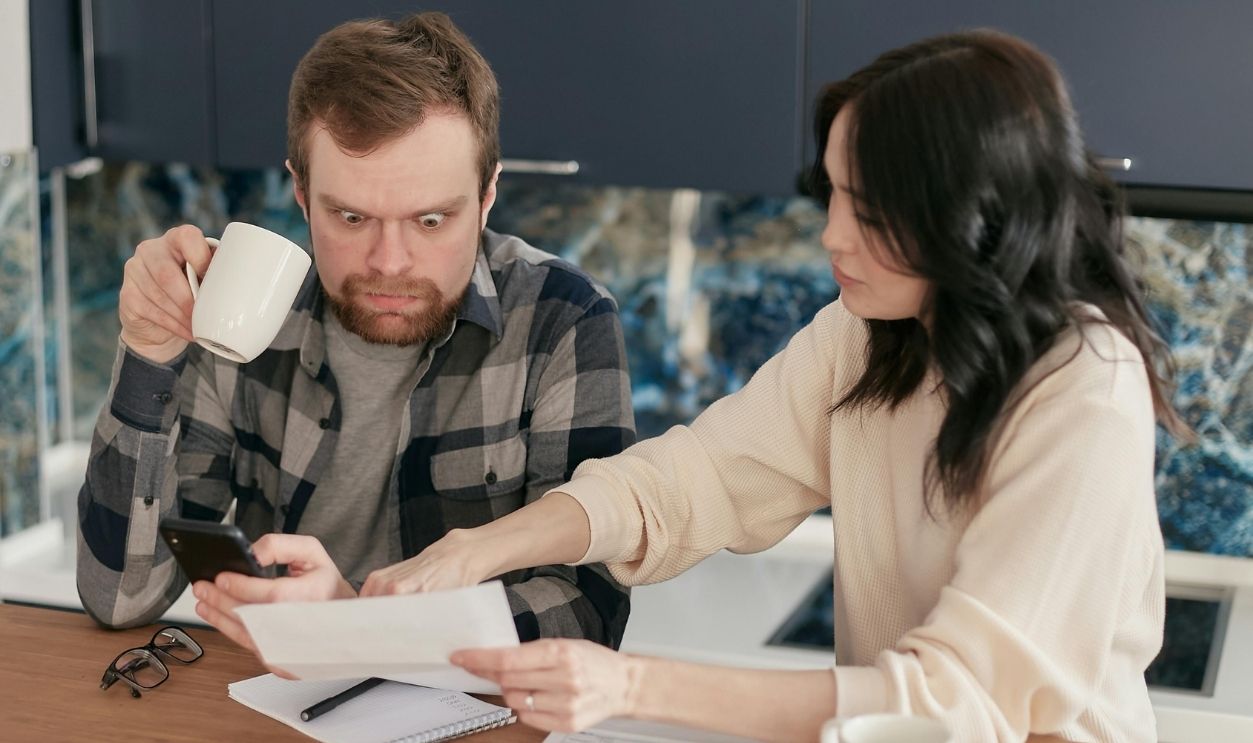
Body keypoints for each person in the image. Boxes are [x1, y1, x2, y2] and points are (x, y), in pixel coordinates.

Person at [198, 29, 1183, 741]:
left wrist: (627, 683)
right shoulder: (868, 336)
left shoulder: (1081, 390)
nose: (831, 236)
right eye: (830, 195)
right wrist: (477, 547)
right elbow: (685, 484)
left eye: (867, 208)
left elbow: (949, 702)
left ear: (970, 216)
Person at [75, 12, 636, 649]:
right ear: (301, 192)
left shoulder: (563, 319)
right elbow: (119, 598)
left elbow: (586, 619)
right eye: (350, 216)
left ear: (486, 195)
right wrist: (149, 355)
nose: (389, 263)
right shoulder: (246, 311)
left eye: (430, 220)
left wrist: (365, 630)